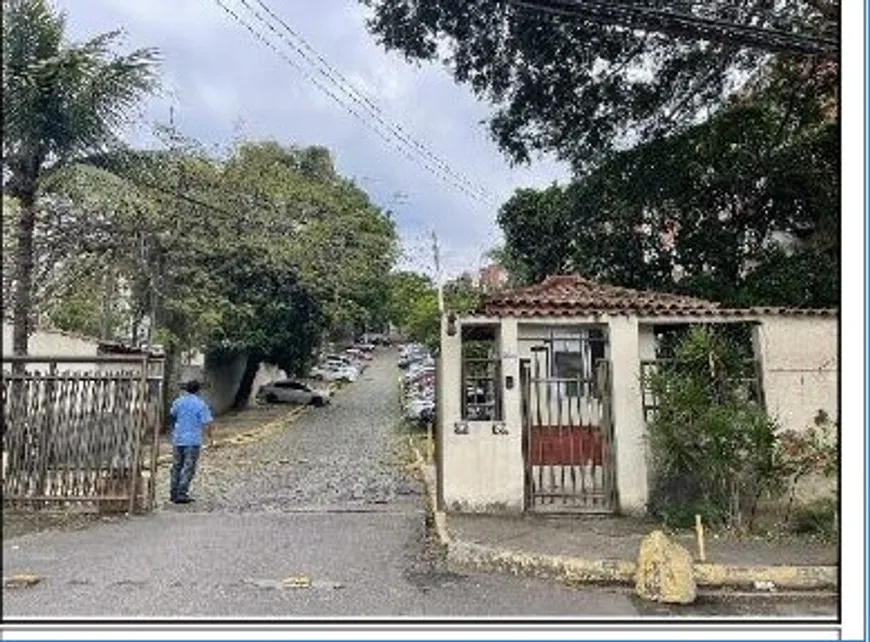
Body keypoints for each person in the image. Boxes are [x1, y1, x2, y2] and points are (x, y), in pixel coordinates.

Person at [168, 380, 214, 504]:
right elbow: (207, 423)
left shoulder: (178, 401)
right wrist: (210, 438)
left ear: (186, 389)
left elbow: (172, 414)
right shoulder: (200, 404)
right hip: (193, 440)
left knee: (177, 465)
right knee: (188, 466)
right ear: (198, 390)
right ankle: (182, 493)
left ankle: (173, 492)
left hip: (178, 438)